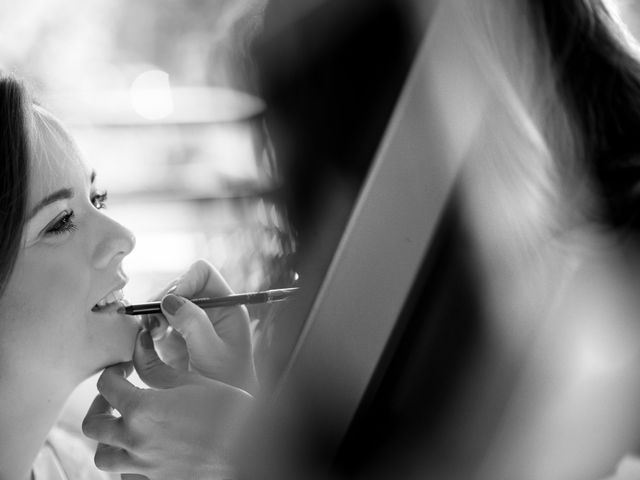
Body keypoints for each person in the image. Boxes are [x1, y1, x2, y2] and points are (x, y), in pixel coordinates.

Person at [0, 74, 256, 480]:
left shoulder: (75, 469)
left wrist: (226, 430)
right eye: (61, 221)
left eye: (97, 199)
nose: (124, 237)